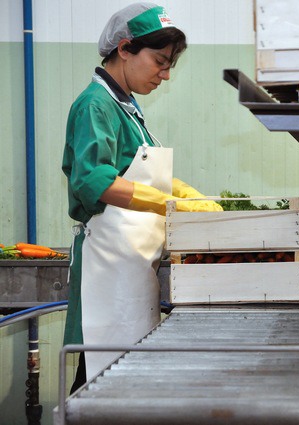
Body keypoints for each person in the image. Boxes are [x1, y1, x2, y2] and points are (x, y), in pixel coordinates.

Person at [61, 2, 222, 393]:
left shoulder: (126, 107)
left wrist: (184, 192)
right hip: (109, 272)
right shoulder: (95, 105)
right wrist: (169, 204)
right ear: (124, 49)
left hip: (132, 268)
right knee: (98, 380)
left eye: (170, 66)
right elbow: (94, 181)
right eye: (159, 62)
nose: (165, 75)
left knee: (120, 381)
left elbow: (134, 171)